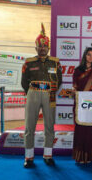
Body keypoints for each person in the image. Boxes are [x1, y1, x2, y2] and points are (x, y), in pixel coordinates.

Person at [21, 23, 62, 168]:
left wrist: (49, 90)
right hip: (33, 93)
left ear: (48, 47)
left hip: (49, 94)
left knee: (49, 127)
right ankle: (29, 157)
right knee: (29, 127)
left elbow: (59, 80)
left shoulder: (55, 63)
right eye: (40, 46)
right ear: (36, 48)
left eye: (45, 46)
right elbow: (24, 82)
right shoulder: (29, 62)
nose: (42, 48)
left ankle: (48, 155)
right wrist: (31, 92)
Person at [72, 47, 92, 164]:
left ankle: (90, 157)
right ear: (85, 56)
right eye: (88, 54)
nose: (91, 57)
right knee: (80, 129)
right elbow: (75, 86)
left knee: (91, 130)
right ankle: (80, 156)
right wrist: (74, 90)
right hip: (80, 105)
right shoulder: (77, 71)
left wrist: (91, 90)